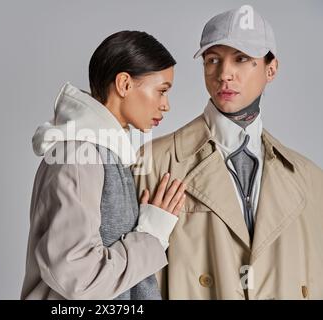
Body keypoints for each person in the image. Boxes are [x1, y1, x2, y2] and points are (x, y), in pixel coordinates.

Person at [134, 6, 323, 299]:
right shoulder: (155, 162)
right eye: (213, 60)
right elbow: (130, 282)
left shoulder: (310, 179)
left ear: (271, 69)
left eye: (242, 59)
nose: (224, 74)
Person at [21, 30, 187, 300]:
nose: (166, 105)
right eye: (161, 91)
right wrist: (151, 236)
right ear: (124, 84)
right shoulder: (78, 157)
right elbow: (79, 278)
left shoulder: (102, 153)